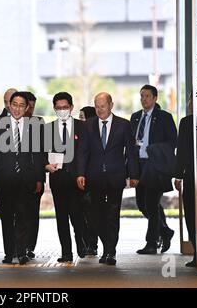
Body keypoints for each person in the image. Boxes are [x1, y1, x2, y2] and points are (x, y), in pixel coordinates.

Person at [0, 92, 43, 265]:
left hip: (26, 178)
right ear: (9, 105)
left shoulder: (34, 126)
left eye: (21, 105)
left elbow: (38, 155)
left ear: (27, 107)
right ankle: (10, 253)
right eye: (14, 104)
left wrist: (39, 179)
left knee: (23, 217)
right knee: (7, 218)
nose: (17, 108)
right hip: (5, 178)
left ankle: (21, 252)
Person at [77, 93, 139, 265]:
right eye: (96, 106)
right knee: (95, 216)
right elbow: (82, 151)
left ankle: (110, 251)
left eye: (102, 106)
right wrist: (81, 173)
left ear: (111, 105)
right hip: (94, 177)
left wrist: (133, 175)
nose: (99, 110)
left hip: (115, 177)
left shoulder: (123, 125)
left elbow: (131, 152)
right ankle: (106, 245)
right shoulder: (88, 125)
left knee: (112, 214)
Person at [130, 84, 177, 255]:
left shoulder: (164, 117)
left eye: (147, 96)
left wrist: (152, 148)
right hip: (139, 165)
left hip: (155, 165)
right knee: (142, 204)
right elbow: (131, 143)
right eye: (142, 96)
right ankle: (165, 231)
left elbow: (173, 141)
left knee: (151, 203)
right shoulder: (135, 117)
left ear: (155, 98)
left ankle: (151, 243)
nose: (144, 99)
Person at [45, 92, 86, 262]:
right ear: (54, 108)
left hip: (77, 178)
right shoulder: (47, 129)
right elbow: (40, 152)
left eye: (65, 107)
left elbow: (86, 152)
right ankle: (66, 252)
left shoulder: (83, 127)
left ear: (71, 107)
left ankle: (81, 242)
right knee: (61, 217)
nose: (62, 110)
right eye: (58, 108)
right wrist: (45, 165)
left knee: (77, 214)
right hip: (58, 178)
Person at [174, 95, 197, 267]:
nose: (189, 103)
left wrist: (178, 175)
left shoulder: (186, 122)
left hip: (190, 175)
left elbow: (181, 151)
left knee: (191, 214)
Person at [24, 92, 45, 259]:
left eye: (33, 106)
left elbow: (41, 153)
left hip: (34, 176)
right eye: (28, 106)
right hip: (16, 177)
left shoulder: (38, 123)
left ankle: (29, 246)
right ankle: (18, 246)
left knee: (32, 214)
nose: (30, 109)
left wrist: (40, 178)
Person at [78, 106, 99, 255]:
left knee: (92, 214)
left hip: (92, 180)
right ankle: (86, 243)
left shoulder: (94, 135)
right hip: (79, 179)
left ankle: (92, 244)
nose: (80, 120)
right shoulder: (78, 133)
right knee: (81, 214)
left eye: (82, 117)